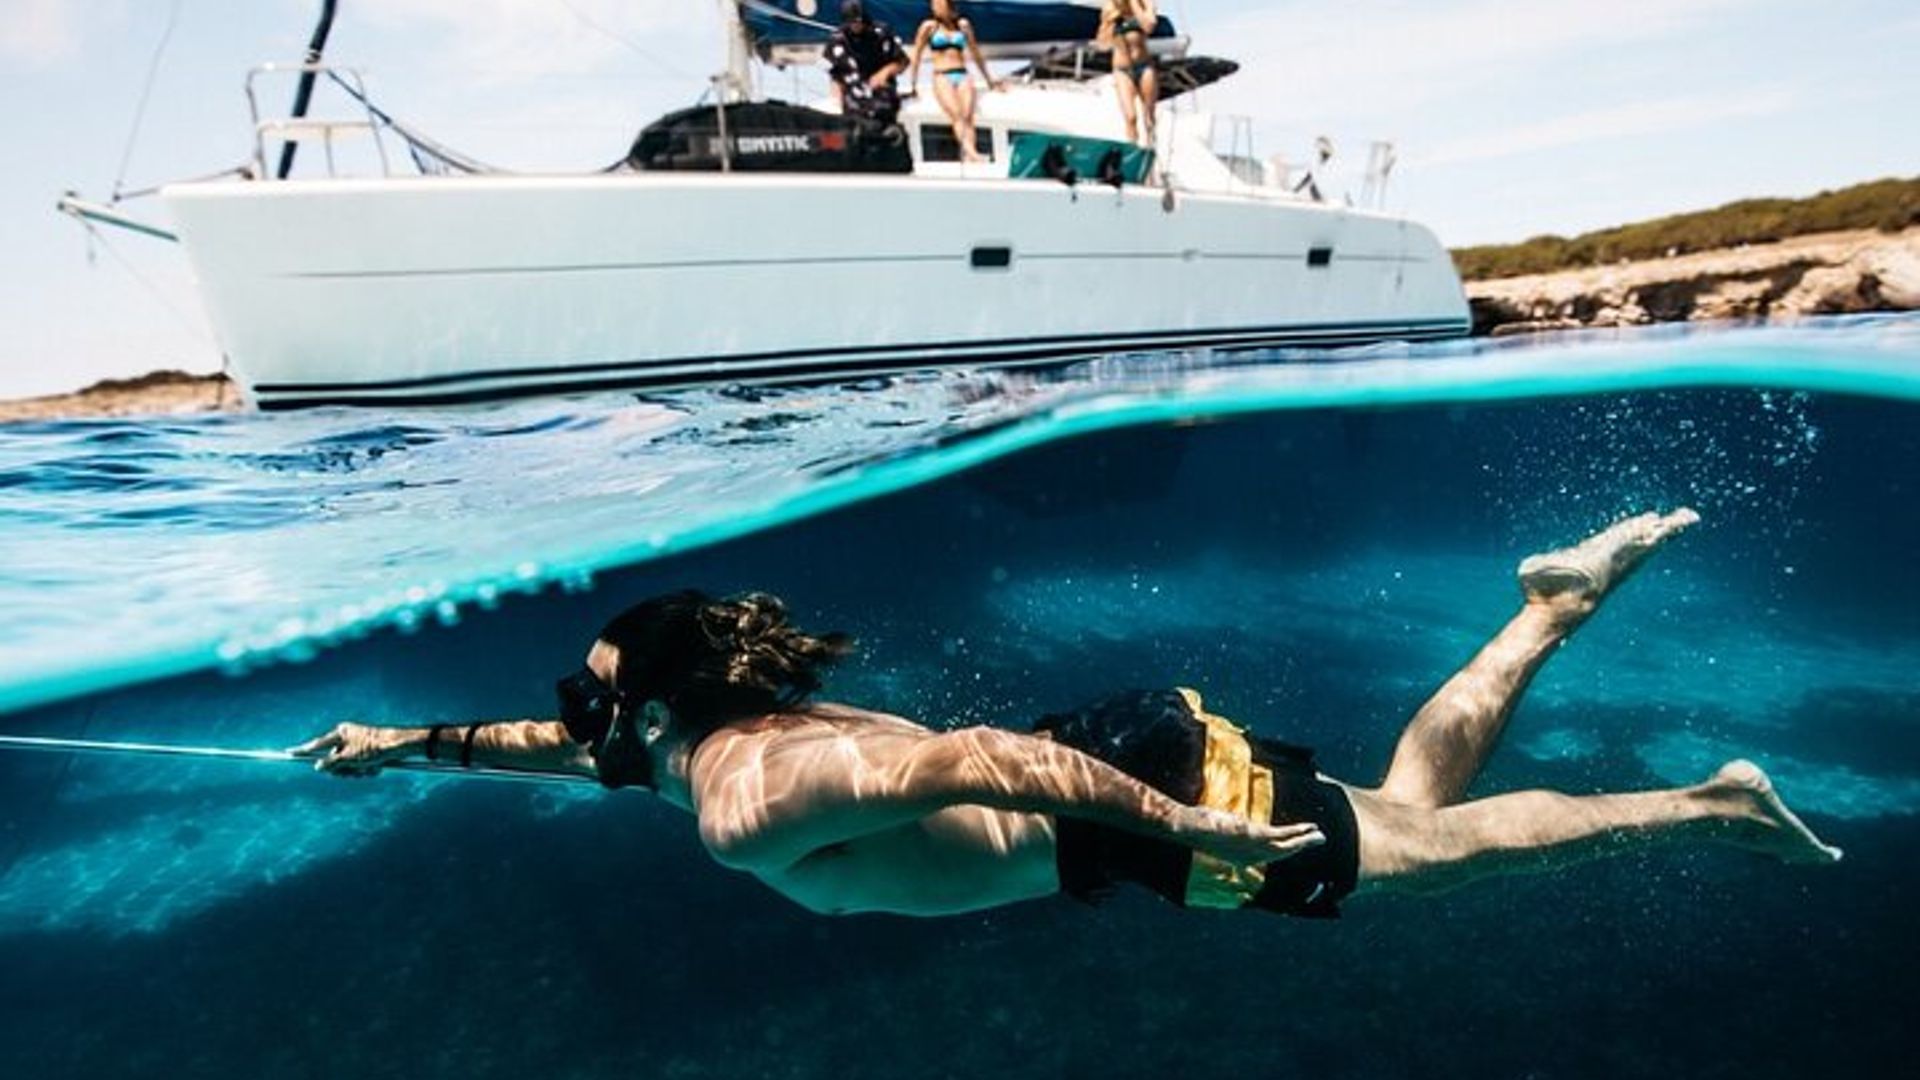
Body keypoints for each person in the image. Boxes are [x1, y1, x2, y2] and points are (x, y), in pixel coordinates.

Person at [297, 509, 1840, 920]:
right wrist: (404, 747)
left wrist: (1185, 829)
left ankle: (1710, 801)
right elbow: (552, 753)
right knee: (1407, 810)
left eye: (592, 696)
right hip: (1123, 767)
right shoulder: (714, 750)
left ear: (656, 704)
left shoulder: (742, 800)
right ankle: (1549, 612)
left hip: (1126, 808)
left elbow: (975, 760)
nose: (575, 719)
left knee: (1449, 861)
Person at [908, 0, 1001, 164]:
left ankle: (970, 154)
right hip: (941, 74)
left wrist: (990, 81)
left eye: (939, 3)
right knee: (956, 114)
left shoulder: (963, 25)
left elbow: (976, 53)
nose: (935, 7)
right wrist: (912, 84)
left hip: (962, 73)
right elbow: (916, 55)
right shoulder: (929, 27)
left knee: (967, 116)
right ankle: (973, 153)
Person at [824, 1, 909, 129]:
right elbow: (835, 73)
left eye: (858, 21)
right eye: (852, 22)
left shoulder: (880, 33)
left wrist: (885, 72)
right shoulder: (838, 41)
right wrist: (836, 96)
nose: (856, 25)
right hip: (853, 101)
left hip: (881, 98)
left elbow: (903, 61)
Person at [1098, 0, 1159, 148]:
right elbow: (1102, 44)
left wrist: (1134, 4)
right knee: (1130, 117)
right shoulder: (1111, 7)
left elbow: (1149, 26)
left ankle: (1150, 148)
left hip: (1144, 67)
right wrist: (1109, 23)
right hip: (1122, 71)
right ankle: (1133, 148)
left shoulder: (1146, 4)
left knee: (1149, 118)